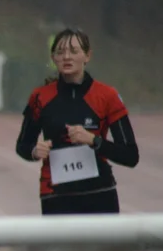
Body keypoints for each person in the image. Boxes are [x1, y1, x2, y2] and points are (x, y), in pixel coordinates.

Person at [15, 27, 140, 215]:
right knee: (61, 246)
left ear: (87, 56)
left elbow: (131, 156)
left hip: (99, 194)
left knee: (102, 245)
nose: (66, 57)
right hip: (56, 195)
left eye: (74, 51)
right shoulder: (40, 97)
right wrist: (34, 151)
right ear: (53, 58)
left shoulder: (107, 96)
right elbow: (22, 145)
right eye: (60, 52)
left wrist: (93, 141)